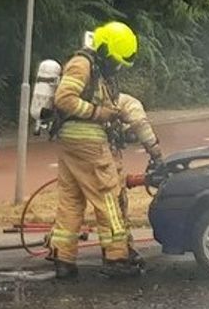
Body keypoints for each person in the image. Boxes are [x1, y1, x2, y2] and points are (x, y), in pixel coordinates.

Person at [46, 21, 140, 280]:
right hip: (87, 141)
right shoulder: (82, 64)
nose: (117, 66)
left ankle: (63, 258)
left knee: (71, 199)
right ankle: (117, 256)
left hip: (74, 142)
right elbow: (64, 99)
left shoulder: (98, 67)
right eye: (116, 60)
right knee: (108, 195)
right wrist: (98, 113)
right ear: (105, 47)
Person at [110, 92, 163, 267]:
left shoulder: (108, 100)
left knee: (72, 203)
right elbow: (142, 126)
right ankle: (119, 251)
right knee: (115, 200)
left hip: (74, 150)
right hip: (99, 153)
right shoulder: (131, 105)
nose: (132, 139)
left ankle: (61, 252)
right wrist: (156, 154)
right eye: (130, 135)